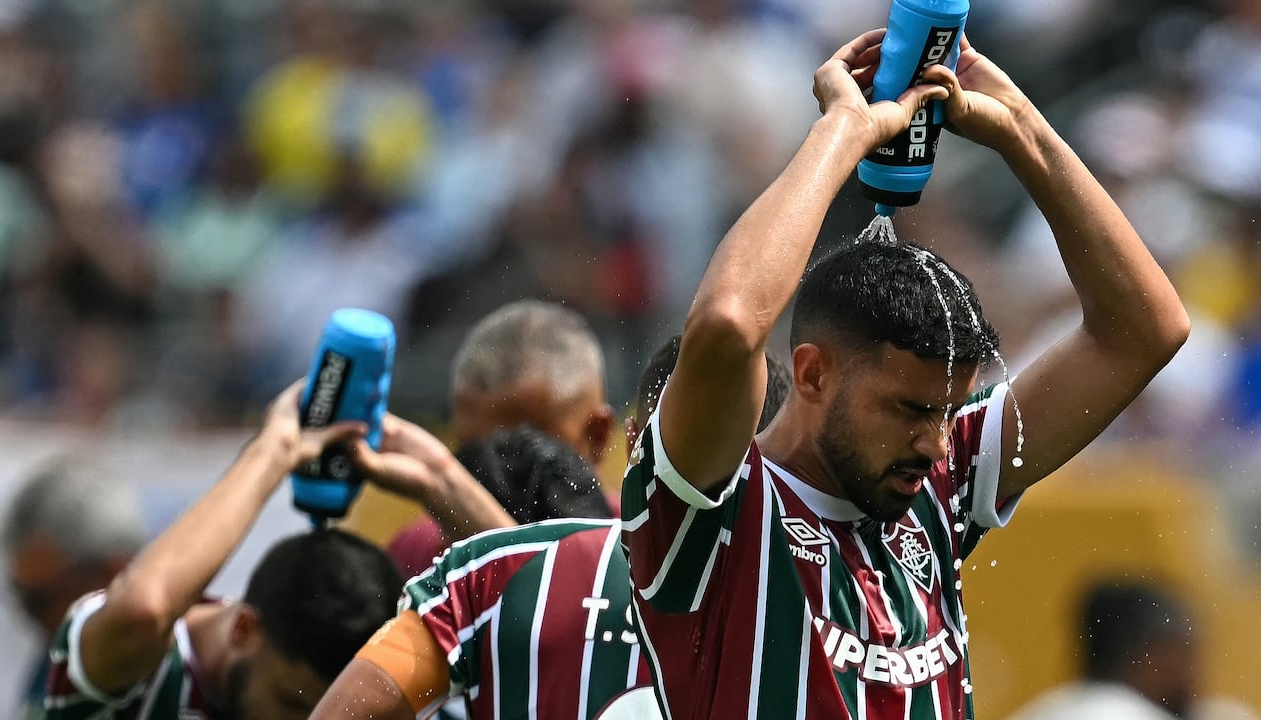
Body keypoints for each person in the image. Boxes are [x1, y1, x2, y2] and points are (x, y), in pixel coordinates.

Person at [620, 28, 1189, 719]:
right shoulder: (711, 510)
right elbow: (728, 325)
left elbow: (1145, 332)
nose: (938, 442)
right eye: (910, 410)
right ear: (812, 373)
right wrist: (843, 131)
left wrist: (1020, 131)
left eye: (949, 412)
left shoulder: (935, 490)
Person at [308, 335, 794, 720]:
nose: (502, 460)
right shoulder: (430, 559)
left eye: (534, 434)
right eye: (472, 444)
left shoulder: (489, 575)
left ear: (615, 437)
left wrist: (444, 484)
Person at [41, 380, 512, 719]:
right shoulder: (135, 676)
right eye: (292, 707)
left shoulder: (379, 698)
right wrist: (273, 451)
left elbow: (561, 630)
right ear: (245, 628)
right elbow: (142, 610)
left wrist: (441, 479)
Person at [386, 299, 615, 577]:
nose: (493, 475)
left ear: (597, 436)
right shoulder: (417, 555)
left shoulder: (648, 555)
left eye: (526, 452)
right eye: (471, 457)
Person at [0, 461, 146, 719]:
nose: (27, 617)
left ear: (111, 574)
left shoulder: (158, 682)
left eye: (38, 601)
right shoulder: (57, 658)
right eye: (18, 593)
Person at [1009, 582, 1259, 720]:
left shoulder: (1044, 710)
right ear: (1154, 656)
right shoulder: (1119, 713)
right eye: (1186, 654)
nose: (1197, 673)